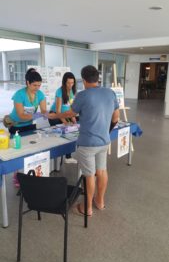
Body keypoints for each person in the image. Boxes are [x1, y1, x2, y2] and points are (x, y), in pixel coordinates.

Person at [48, 65, 119, 216]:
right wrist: (106, 132)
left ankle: (87, 208)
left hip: (87, 143)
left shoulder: (83, 95)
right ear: (98, 78)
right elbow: (116, 118)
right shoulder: (110, 93)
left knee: (89, 175)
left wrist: (56, 115)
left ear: (84, 80)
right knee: (102, 171)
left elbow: (72, 112)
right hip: (104, 142)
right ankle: (99, 202)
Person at [8, 68, 47, 186]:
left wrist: (47, 114)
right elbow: (20, 115)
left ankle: (30, 173)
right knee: (17, 151)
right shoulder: (19, 95)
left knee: (31, 149)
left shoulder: (40, 94)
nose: (37, 88)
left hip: (29, 125)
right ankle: (16, 175)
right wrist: (36, 115)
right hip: (16, 125)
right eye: (34, 85)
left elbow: (44, 110)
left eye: (39, 85)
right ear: (27, 83)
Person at [48, 72, 77, 164]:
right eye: (68, 83)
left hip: (65, 114)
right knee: (61, 133)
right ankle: (55, 157)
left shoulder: (72, 91)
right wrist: (65, 122)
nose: (70, 85)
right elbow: (58, 111)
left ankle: (68, 157)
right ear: (64, 82)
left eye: (72, 83)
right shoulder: (59, 91)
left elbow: (71, 107)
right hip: (55, 115)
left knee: (71, 132)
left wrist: (73, 119)